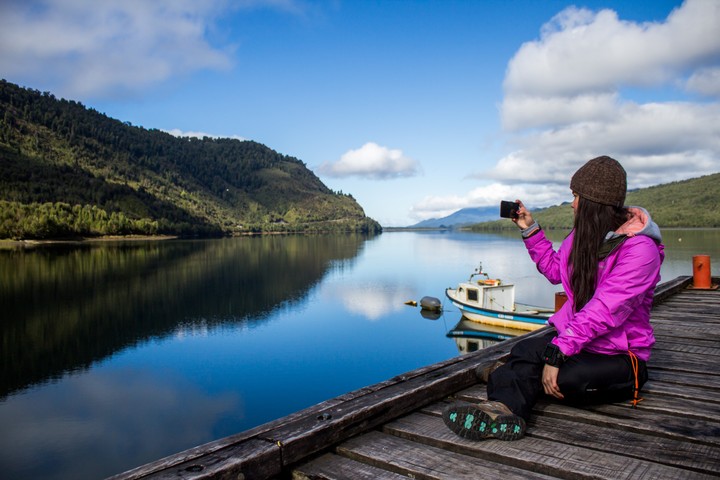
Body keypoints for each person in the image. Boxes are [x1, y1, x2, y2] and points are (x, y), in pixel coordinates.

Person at [442, 155, 665, 441]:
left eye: (575, 196)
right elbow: (553, 270)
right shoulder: (583, 237)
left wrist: (558, 352)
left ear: (593, 202)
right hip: (583, 343)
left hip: (622, 356)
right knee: (526, 350)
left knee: (564, 377)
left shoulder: (640, 251)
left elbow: (606, 309)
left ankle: (508, 377)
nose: (572, 203)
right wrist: (529, 228)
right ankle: (501, 412)